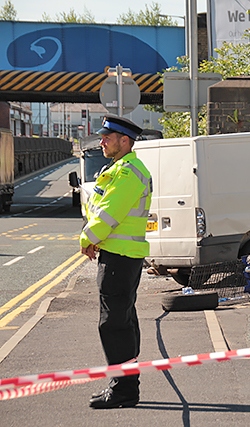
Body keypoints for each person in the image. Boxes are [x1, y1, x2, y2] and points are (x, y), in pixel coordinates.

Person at [79, 115, 152, 409]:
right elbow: (98, 207)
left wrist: (87, 239)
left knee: (113, 324)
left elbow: (109, 213)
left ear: (125, 141)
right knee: (123, 320)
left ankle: (123, 390)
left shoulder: (127, 173)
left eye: (107, 138)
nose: (102, 142)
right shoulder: (120, 169)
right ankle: (125, 385)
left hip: (119, 257)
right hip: (121, 255)